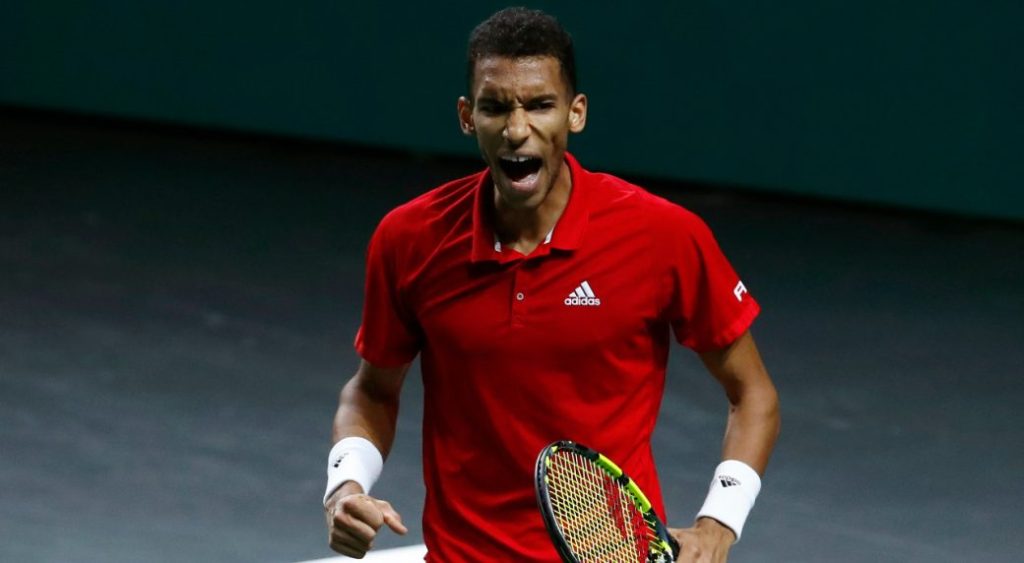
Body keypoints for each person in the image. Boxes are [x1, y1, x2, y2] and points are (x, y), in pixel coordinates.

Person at [323, 7, 780, 562]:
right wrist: (345, 485)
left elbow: (752, 394)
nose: (518, 130)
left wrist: (718, 523)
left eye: (540, 105)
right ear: (468, 117)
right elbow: (372, 390)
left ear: (576, 112)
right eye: (495, 108)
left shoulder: (662, 235)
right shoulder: (410, 238)